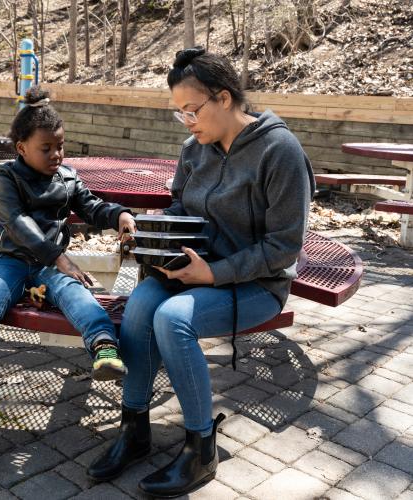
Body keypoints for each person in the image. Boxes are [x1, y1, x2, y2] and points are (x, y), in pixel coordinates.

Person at [87, 47, 315, 497]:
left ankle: (200, 448)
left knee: (173, 320)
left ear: (225, 99)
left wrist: (214, 273)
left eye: (192, 111)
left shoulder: (279, 151)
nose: (188, 123)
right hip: (187, 271)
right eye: (180, 114)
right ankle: (134, 431)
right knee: (138, 311)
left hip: (256, 283)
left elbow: (285, 245)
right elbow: (179, 207)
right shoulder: (195, 149)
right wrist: (154, 239)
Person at [0, 86, 136, 446]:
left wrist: (120, 215)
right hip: (10, 261)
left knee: (81, 296)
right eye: (46, 148)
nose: (57, 155)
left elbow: (92, 206)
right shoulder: (7, 177)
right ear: (21, 148)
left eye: (61, 146)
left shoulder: (67, 177)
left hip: (52, 268)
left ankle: (104, 349)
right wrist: (59, 257)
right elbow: (18, 223)